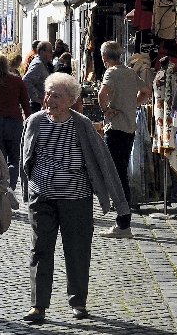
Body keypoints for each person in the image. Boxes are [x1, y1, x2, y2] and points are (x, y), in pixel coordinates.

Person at [20, 72, 130, 323]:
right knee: (40, 249)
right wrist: (28, 190)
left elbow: (104, 162)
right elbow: (25, 156)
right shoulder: (35, 121)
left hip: (76, 198)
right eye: (48, 94)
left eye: (56, 96)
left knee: (77, 250)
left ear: (71, 100)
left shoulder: (82, 125)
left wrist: (120, 205)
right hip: (42, 197)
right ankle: (38, 306)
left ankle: (78, 302)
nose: (49, 100)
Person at [96, 40, 151, 235]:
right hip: (129, 128)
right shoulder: (129, 72)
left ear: (105, 57)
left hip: (117, 128)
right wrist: (133, 105)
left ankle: (123, 222)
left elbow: (102, 94)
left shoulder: (111, 72)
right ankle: (123, 218)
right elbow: (146, 91)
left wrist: (106, 109)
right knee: (120, 173)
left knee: (116, 175)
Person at [0, 52, 32, 192]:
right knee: (14, 160)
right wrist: (29, 122)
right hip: (14, 123)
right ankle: (10, 188)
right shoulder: (17, 81)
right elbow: (26, 104)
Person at [22, 41, 53, 110]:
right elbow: (26, 80)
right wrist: (37, 98)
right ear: (42, 52)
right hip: (37, 106)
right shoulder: (38, 64)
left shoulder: (43, 63)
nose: (52, 53)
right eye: (50, 51)